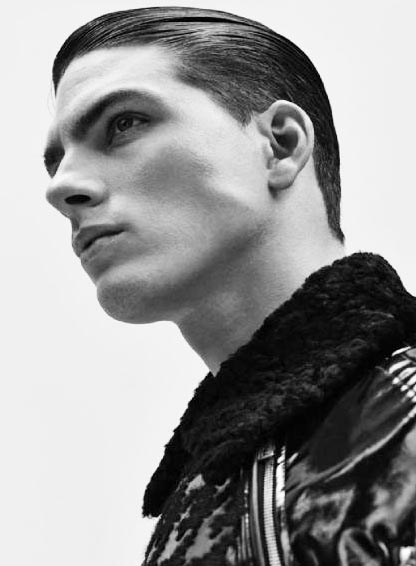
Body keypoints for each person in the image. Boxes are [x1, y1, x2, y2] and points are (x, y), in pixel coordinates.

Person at [44, 6, 416, 566]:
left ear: (281, 144)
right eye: (56, 162)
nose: (61, 187)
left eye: (123, 123)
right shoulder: (208, 485)